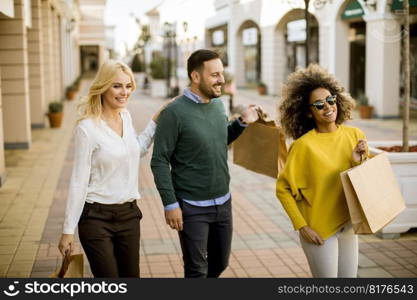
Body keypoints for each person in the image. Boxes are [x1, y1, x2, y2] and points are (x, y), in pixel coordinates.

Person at [151, 49, 261, 278]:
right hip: (191, 207)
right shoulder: (174, 113)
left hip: (223, 202)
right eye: (215, 75)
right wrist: (170, 203)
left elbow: (220, 139)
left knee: (220, 263)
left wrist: (241, 122)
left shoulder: (218, 105)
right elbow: (159, 160)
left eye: (222, 73)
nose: (222, 79)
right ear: (196, 76)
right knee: (196, 269)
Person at [58, 60, 167, 277]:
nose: (124, 92)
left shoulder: (125, 117)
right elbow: (79, 181)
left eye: (128, 86)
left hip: (129, 216)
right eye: (117, 86)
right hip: (96, 219)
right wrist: (68, 231)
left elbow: (135, 149)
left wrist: (156, 119)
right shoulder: (87, 128)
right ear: (103, 86)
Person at [276, 64, 368, 278]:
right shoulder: (303, 146)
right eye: (318, 105)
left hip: (348, 224)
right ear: (308, 113)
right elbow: (283, 189)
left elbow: (362, 180)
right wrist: (302, 227)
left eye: (330, 100)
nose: (328, 107)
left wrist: (358, 161)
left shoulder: (355, 135)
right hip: (319, 231)